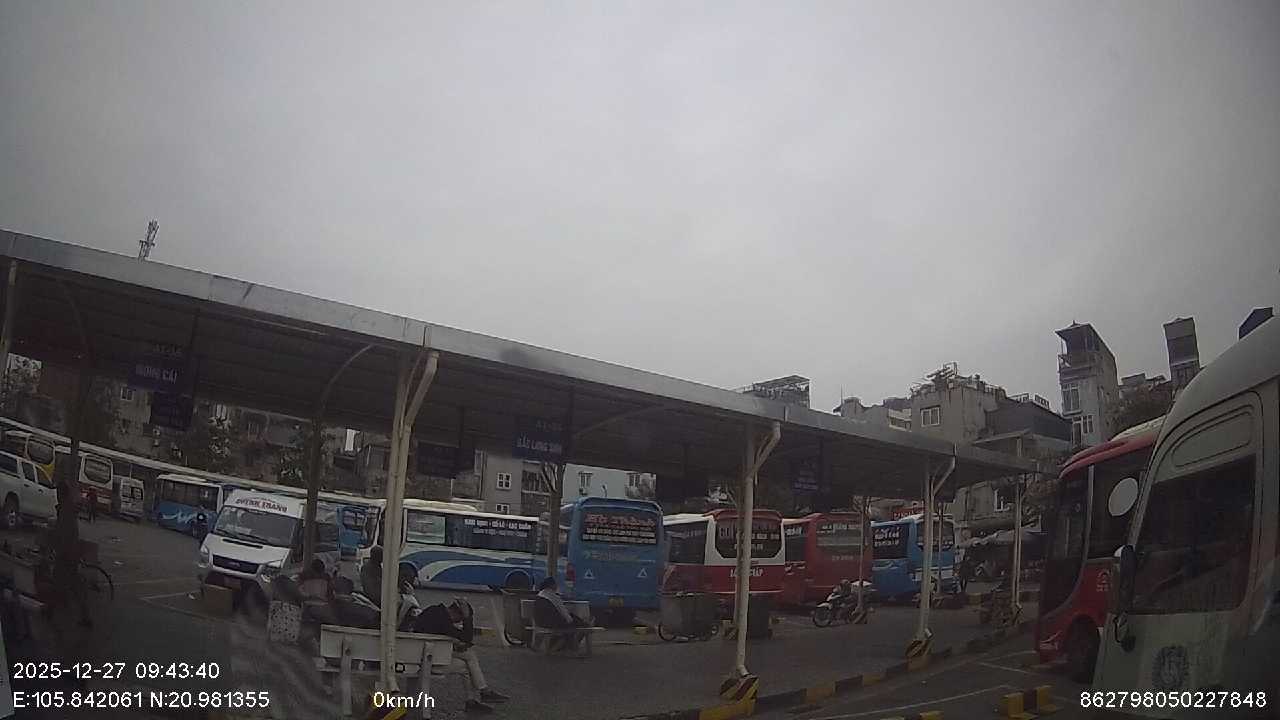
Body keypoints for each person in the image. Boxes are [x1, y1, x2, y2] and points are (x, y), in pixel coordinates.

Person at [412, 598, 508, 713]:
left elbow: (441, 635)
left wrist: (454, 645)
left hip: (423, 655)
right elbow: (467, 638)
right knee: (469, 654)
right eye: (460, 620)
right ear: (457, 613)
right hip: (428, 662)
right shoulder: (443, 619)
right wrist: (468, 618)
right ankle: (483, 692)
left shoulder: (434, 612)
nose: (457, 623)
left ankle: (473, 700)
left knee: (466, 666)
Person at [534, 577, 589, 651]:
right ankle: (570, 647)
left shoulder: (540, 595)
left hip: (540, 622)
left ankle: (559, 647)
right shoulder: (553, 596)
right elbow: (564, 613)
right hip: (553, 623)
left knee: (573, 621)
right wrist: (571, 620)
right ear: (552, 585)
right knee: (574, 625)